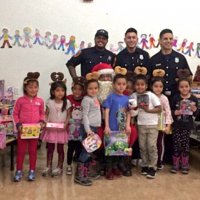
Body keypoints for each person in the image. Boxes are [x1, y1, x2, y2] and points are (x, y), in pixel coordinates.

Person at [150, 28, 193, 164]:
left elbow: (189, 77)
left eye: (170, 38)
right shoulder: (154, 59)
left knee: (176, 126)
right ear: (160, 40)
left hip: (176, 98)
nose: (168, 41)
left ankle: (173, 157)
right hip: (158, 98)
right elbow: (149, 79)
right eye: (165, 39)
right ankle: (160, 157)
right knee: (159, 127)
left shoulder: (180, 58)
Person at [13, 72, 45, 182]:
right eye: (30, 87)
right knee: (21, 152)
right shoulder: (20, 100)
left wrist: (41, 121)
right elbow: (15, 114)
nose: (33, 89)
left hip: (35, 131)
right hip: (22, 130)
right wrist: (18, 124)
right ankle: (19, 170)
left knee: (33, 152)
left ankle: (32, 171)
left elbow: (42, 113)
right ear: (25, 88)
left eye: (35, 87)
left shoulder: (40, 101)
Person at [130, 74, 161, 179]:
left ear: (146, 85)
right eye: (137, 85)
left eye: (142, 84)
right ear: (134, 86)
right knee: (142, 146)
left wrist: (148, 110)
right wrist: (135, 108)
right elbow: (132, 113)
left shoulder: (151, 95)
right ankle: (145, 165)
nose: (140, 87)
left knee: (151, 146)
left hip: (152, 124)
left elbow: (159, 109)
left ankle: (153, 167)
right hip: (141, 124)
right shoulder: (133, 96)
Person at [103, 72, 131, 180]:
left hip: (122, 128)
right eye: (119, 84)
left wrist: (128, 125)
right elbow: (106, 111)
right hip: (111, 128)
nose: (121, 86)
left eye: (123, 84)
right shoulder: (111, 97)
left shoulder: (126, 98)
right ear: (114, 85)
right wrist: (107, 126)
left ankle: (116, 167)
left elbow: (128, 113)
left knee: (119, 149)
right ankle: (108, 170)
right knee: (110, 150)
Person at [74, 79, 101, 186]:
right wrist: (88, 130)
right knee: (85, 152)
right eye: (90, 88)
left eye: (95, 88)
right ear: (86, 89)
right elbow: (84, 115)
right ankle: (79, 176)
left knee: (89, 152)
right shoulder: (86, 99)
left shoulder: (95, 98)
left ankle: (85, 172)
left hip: (94, 128)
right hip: (89, 129)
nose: (93, 90)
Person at [42, 73, 68, 177]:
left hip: (61, 129)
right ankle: (48, 166)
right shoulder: (49, 102)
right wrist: (45, 122)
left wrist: (66, 124)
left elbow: (68, 115)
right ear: (53, 91)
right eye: (57, 90)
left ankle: (60, 167)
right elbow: (46, 114)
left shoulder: (67, 102)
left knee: (60, 149)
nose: (60, 93)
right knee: (50, 148)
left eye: (62, 90)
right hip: (51, 129)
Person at [170, 77, 198, 174]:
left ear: (190, 87)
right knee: (176, 144)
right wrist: (175, 112)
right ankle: (176, 164)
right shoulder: (176, 98)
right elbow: (170, 111)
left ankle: (185, 164)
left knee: (185, 145)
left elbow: (196, 114)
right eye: (182, 87)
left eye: (186, 86)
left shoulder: (193, 98)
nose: (184, 88)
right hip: (177, 125)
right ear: (178, 88)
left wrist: (195, 110)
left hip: (187, 126)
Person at [151, 73, 173, 170]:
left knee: (159, 143)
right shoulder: (149, 96)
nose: (158, 88)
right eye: (156, 86)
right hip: (150, 123)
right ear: (151, 86)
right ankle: (151, 161)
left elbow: (168, 112)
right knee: (151, 143)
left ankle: (159, 161)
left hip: (160, 123)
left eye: (160, 86)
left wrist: (168, 125)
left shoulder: (164, 98)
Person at [66, 77, 85, 175]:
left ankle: (78, 164)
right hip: (71, 129)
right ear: (72, 89)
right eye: (75, 89)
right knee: (70, 147)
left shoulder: (85, 100)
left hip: (81, 129)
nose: (77, 91)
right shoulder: (68, 98)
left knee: (79, 148)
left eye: (80, 89)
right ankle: (68, 165)